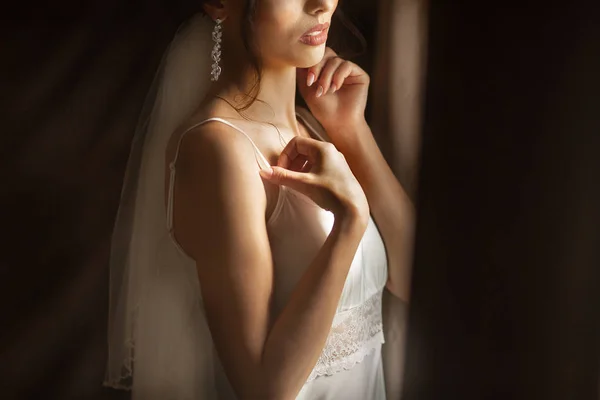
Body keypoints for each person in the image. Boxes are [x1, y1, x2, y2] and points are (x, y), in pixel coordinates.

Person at [104, 0, 415, 398]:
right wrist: (350, 222)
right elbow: (265, 390)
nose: (321, 5)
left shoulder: (310, 124)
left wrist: (350, 130)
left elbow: (411, 279)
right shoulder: (219, 150)